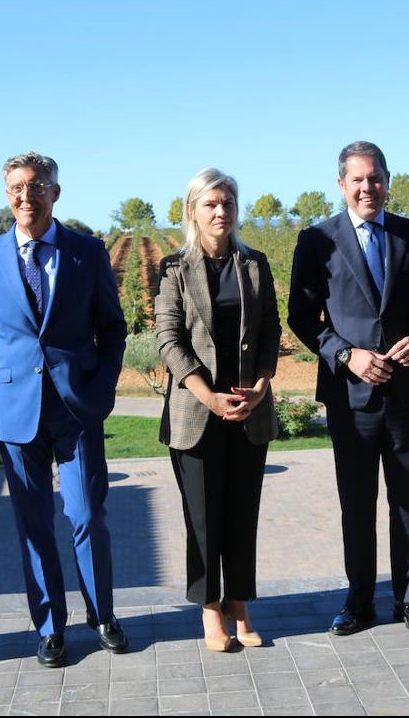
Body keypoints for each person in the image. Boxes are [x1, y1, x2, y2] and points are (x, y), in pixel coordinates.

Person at [0, 152, 129, 668]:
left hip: (77, 409)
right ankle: (50, 626)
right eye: (16, 188)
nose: (26, 197)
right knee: (33, 523)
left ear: (56, 192)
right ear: (6, 195)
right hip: (14, 412)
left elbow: (113, 328)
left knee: (86, 514)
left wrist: (101, 392)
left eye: (37, 187)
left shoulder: (86, 252)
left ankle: (102, 614)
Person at [288, 141, 409, 636]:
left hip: (406, 394)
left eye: (375, 178)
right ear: (341, 185)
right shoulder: (317, 239)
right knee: (356, 503)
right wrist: (346, 355)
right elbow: (301, 317)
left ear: (388, 180)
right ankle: (359, 601)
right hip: (350, 395)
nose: (367, 187)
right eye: (357, 179)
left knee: (407, 498)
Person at [154, 168, 281, 652]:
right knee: (204, 518)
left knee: (242, 513)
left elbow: (270, 329)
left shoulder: (255, 263)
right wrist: (207, 395)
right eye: (210, 204)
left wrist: (262, 384)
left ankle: (240, 603)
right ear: (193, 211)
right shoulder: (172, 268)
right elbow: (169, 339)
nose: (220, 211)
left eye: (227, 202)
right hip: (196, 414)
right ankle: (210, 609)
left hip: (249, 409)